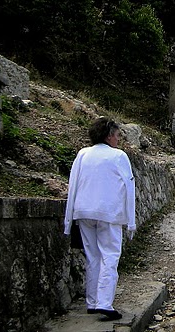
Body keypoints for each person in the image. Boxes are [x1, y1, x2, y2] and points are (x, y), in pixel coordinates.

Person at [64, 117, 136, 321]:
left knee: (93, 256)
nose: (118, 139)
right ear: (109, 135)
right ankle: (105, 303)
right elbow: (129, 187)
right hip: (109, 212)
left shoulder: (82, 154)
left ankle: (92, 301)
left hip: (84, 211)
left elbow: (73, 184)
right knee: (110, 255)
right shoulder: (119, 156)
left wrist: (68, 221)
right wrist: (130, 221)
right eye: (117, 135)